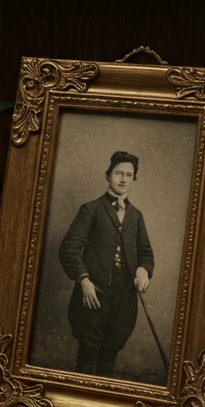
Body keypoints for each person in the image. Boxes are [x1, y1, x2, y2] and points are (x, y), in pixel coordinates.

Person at [58, 150, 155, 377]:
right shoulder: (91, 209)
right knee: (89, 348)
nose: (123, 179)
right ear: (108, 175)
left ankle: (100, 401)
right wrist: (83, 280)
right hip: (93, 294)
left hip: (123, 298)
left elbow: (146, 253)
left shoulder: (136, 215)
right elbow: (69, 249)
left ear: (133, 179)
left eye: (128, 175)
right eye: (118, 173)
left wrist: (144, 269)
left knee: (111, 349)